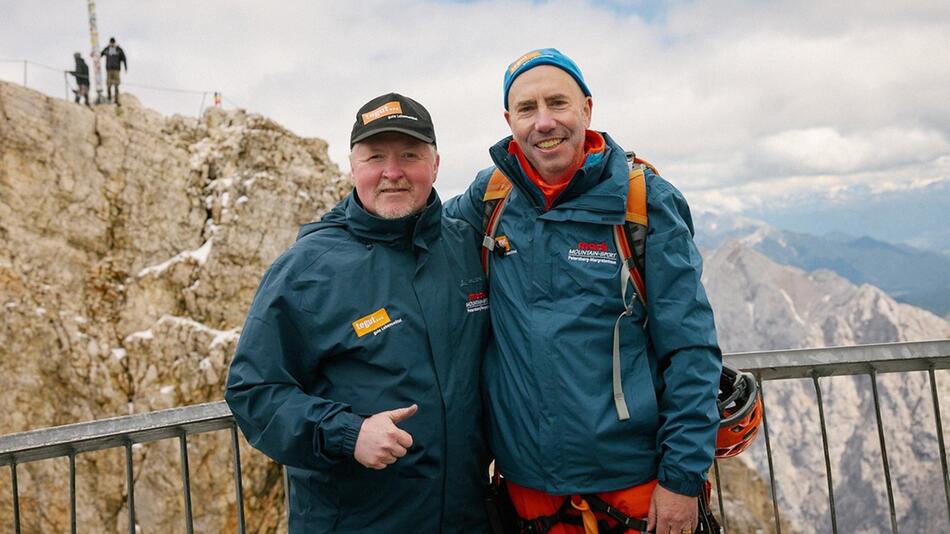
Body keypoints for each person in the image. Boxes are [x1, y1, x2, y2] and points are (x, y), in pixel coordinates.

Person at [445, 49, 722, 534]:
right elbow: (416, 230)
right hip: (528, 489)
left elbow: (692, 349)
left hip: (634, 487)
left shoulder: (643, 201)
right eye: (527, 109)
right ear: (509, 121)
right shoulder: (490, 198)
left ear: (587, 109)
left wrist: (681, 480)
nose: (544, 122)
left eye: (558, 103)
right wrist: (332, 235)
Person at [225, 93, 492, 532]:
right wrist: (347, 433)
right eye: (375, 158)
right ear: (353, 168)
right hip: (357, 521)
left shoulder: (464, 247)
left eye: (409, 155)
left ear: (436, 164)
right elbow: (253, 391)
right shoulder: (307, 269)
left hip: (466, 517)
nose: (392, 172)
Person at [100, 37, 127, 105]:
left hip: (116, 70)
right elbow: (100, 54)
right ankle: (109, 98)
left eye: (113, 43)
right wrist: (95, 55)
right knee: (108, 84)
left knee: (116, 85)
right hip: (109, 70)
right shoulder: (107, 49)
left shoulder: (119, 50)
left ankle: (116, 100)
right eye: (111, 43)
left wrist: (125, 68)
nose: (112, 44)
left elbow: (124, 59)